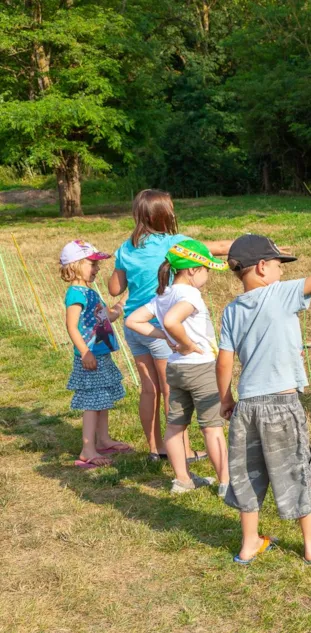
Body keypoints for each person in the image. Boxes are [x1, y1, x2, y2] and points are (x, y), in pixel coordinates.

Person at [216, 233, 311, 564]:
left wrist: (225, 400)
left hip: (246, 407)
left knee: (246, 473)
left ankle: (249, 544)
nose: (282, 272)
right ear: (261, 267)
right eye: (277, 265)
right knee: (298, 468)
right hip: (281, 405)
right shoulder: (280, 294)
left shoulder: (231, 311)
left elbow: (225, 360)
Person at [109, 189, 231, 462]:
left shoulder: (125, 248)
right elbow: (218, 248)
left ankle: (155, 448)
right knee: (169, 389)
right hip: (161, 328)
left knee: (148, 388)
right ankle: (183, 452)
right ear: (165, 214)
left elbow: (115, 288)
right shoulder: (174, 243)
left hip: (134, 326)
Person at [126, 240, 230, 496]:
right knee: (211, 426)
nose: (208, 275)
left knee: (175, 425)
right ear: (193, 270)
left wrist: (165, 338)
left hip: (175, 370)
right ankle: (226, 482)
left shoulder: (162, 295)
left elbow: (132, 320)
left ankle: (182, 479)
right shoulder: (190, 294)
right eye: (207, 269)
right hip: (200, 367)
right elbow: (173, 320)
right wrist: (185, 343)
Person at [60, 240, 131, 468]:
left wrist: (123, 302)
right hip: (90, 356)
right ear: (75, 265)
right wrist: (85, 352)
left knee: (103, 399)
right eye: (92, 264)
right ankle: (87, 449)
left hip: (100, 354)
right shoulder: (76, 294)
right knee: (92, 402)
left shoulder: (90, 293)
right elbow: (71, 326)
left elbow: (106, 317)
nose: (97, 269)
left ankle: (103, 439)